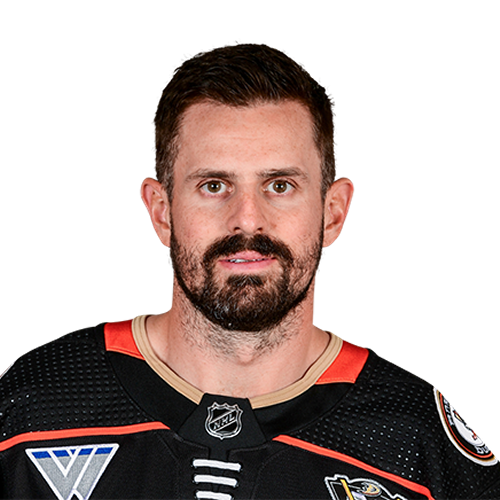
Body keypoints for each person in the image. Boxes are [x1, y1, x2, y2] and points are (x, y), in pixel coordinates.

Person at [0, 42, 498, 500]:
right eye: (214, 185)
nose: (247, 220)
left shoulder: (417, 442)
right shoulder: (29, 406)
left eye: (280, 186)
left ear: (333, 213)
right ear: (161, 211)